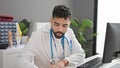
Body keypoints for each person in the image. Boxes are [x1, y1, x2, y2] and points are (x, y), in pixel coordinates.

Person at [16, 5, 85, 68]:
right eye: (56, 24)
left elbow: (80, 54)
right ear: (51, 21)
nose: (60, 30)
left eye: (64, 25)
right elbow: (21, 60)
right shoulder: (38, 35)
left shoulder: (69, 32)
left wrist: (64, 62)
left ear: (69, 24)